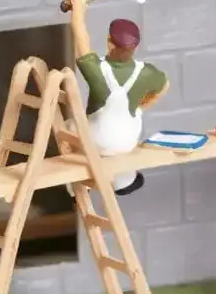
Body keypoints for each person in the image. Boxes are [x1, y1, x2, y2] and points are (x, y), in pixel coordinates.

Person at [68, 14, 167, 196]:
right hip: (127, 141)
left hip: (96, 141)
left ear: (109, 42)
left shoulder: (97, 69)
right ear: (135, 46)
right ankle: (124, 181)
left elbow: (82, 41)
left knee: (69, 127)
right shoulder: (147, 72)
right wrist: (144, 104)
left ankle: (79, 187)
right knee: (119, 148)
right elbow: (165, 84)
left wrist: (77, 11)